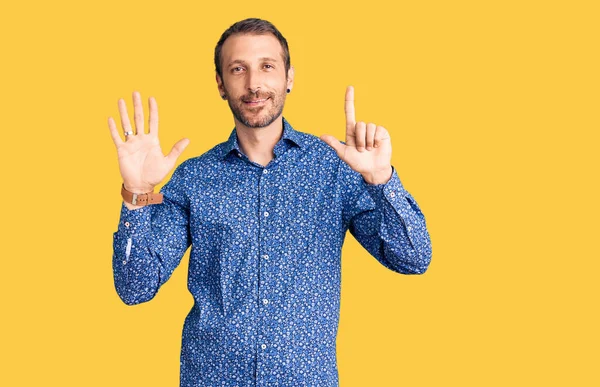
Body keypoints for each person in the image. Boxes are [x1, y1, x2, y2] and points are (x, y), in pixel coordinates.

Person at [108, 17, 431, 387]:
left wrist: (381, 179)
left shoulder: (334, 167)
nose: (254, 83)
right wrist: (135, 194)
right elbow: (134, 289)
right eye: (237, 69)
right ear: (220, 84)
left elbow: (413, 259)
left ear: (289, 77)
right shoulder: (193, 178)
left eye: (267, 66)